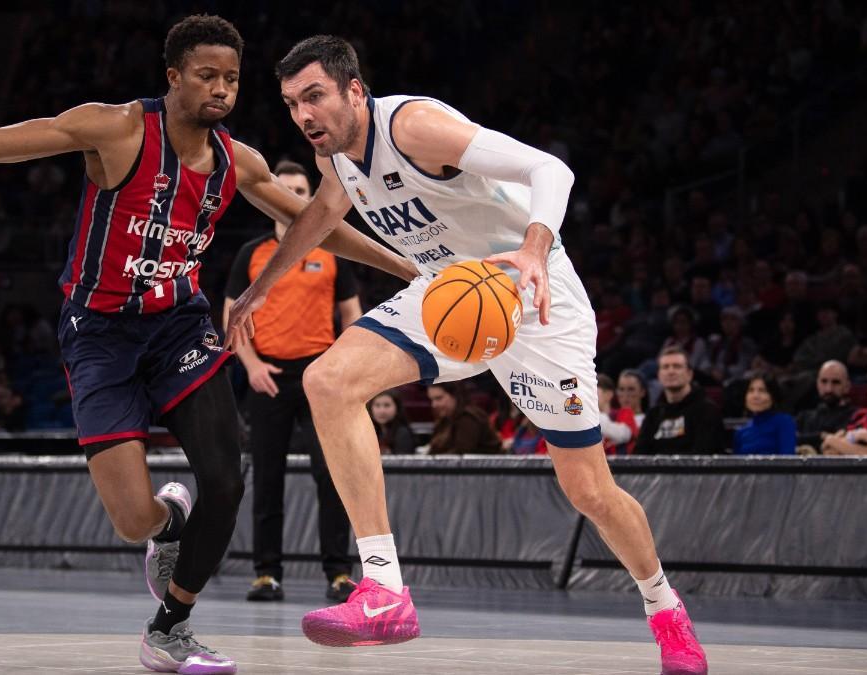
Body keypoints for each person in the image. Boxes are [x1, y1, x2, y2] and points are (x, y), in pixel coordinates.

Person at [0, 16, 413, 672]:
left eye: (232, 78)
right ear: (174, 77)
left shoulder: (236, 161)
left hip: (179, 327)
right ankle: (165, 527)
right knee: (133, 520)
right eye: (207, 75)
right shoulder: (118, 128)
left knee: (226, 475)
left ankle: (170, 627)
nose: (221, 89)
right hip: (99, 334)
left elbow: (314, 225)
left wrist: (412, 266)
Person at [225, 36, 706, 671]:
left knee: (588, 489)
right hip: (451, 294)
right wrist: (258, 290)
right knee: (329, 382)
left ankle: (664, 607)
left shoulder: (415, 126)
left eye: (314, 96)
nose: (304, 116)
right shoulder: (337, 160)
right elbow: (319, 219)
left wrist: (533, 249)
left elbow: (551, 171)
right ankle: (384, 590)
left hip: (533, 298)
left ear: (354, 91)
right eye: (291, 104)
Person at [222, 159, 359, 604]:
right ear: (270, 197)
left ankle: (339, 573)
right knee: (267, 478)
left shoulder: (333, 250)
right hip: (269, 378)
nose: (296, 197)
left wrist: (338, 367)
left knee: (331, 475)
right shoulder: (253, 253)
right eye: (287, 189)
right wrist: (251, 364)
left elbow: (352, 316)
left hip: (320, 378)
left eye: (304, 189)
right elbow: (231, 314)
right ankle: (266, 574)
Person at [635, 347, 726, 455]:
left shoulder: (708, 411)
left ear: (689, 374)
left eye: (677, 366)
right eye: (665, 367)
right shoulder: (653, 414)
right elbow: (639, 456)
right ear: (659, 375)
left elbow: (703, 456)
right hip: (656, 472)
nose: (671, 371)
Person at [794, 360, 856, 453]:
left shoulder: (857, 416)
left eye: (836, 382)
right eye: (824, 381)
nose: (828, 389)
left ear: (847, 386)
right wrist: (822, 436)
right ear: (817, 384)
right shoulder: (804, 416)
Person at [426, 382, 502, 454]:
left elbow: (460, 455)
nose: (434, 405)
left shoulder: (469, 418)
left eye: (439, 398)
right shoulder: (445, 419)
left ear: (454, 395)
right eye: (432, 400)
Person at [731, 374, 796, 455]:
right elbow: (736, 465)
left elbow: (787, 459)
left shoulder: (784, 422)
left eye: (762, 390)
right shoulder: (740, 432)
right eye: (751, 390)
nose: (755, 396)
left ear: (772, 396)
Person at [598, 374, 638, 455]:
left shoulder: (624, 412)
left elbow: (624, 434)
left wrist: (593, 418)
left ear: (608, 394)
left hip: (621, 465)